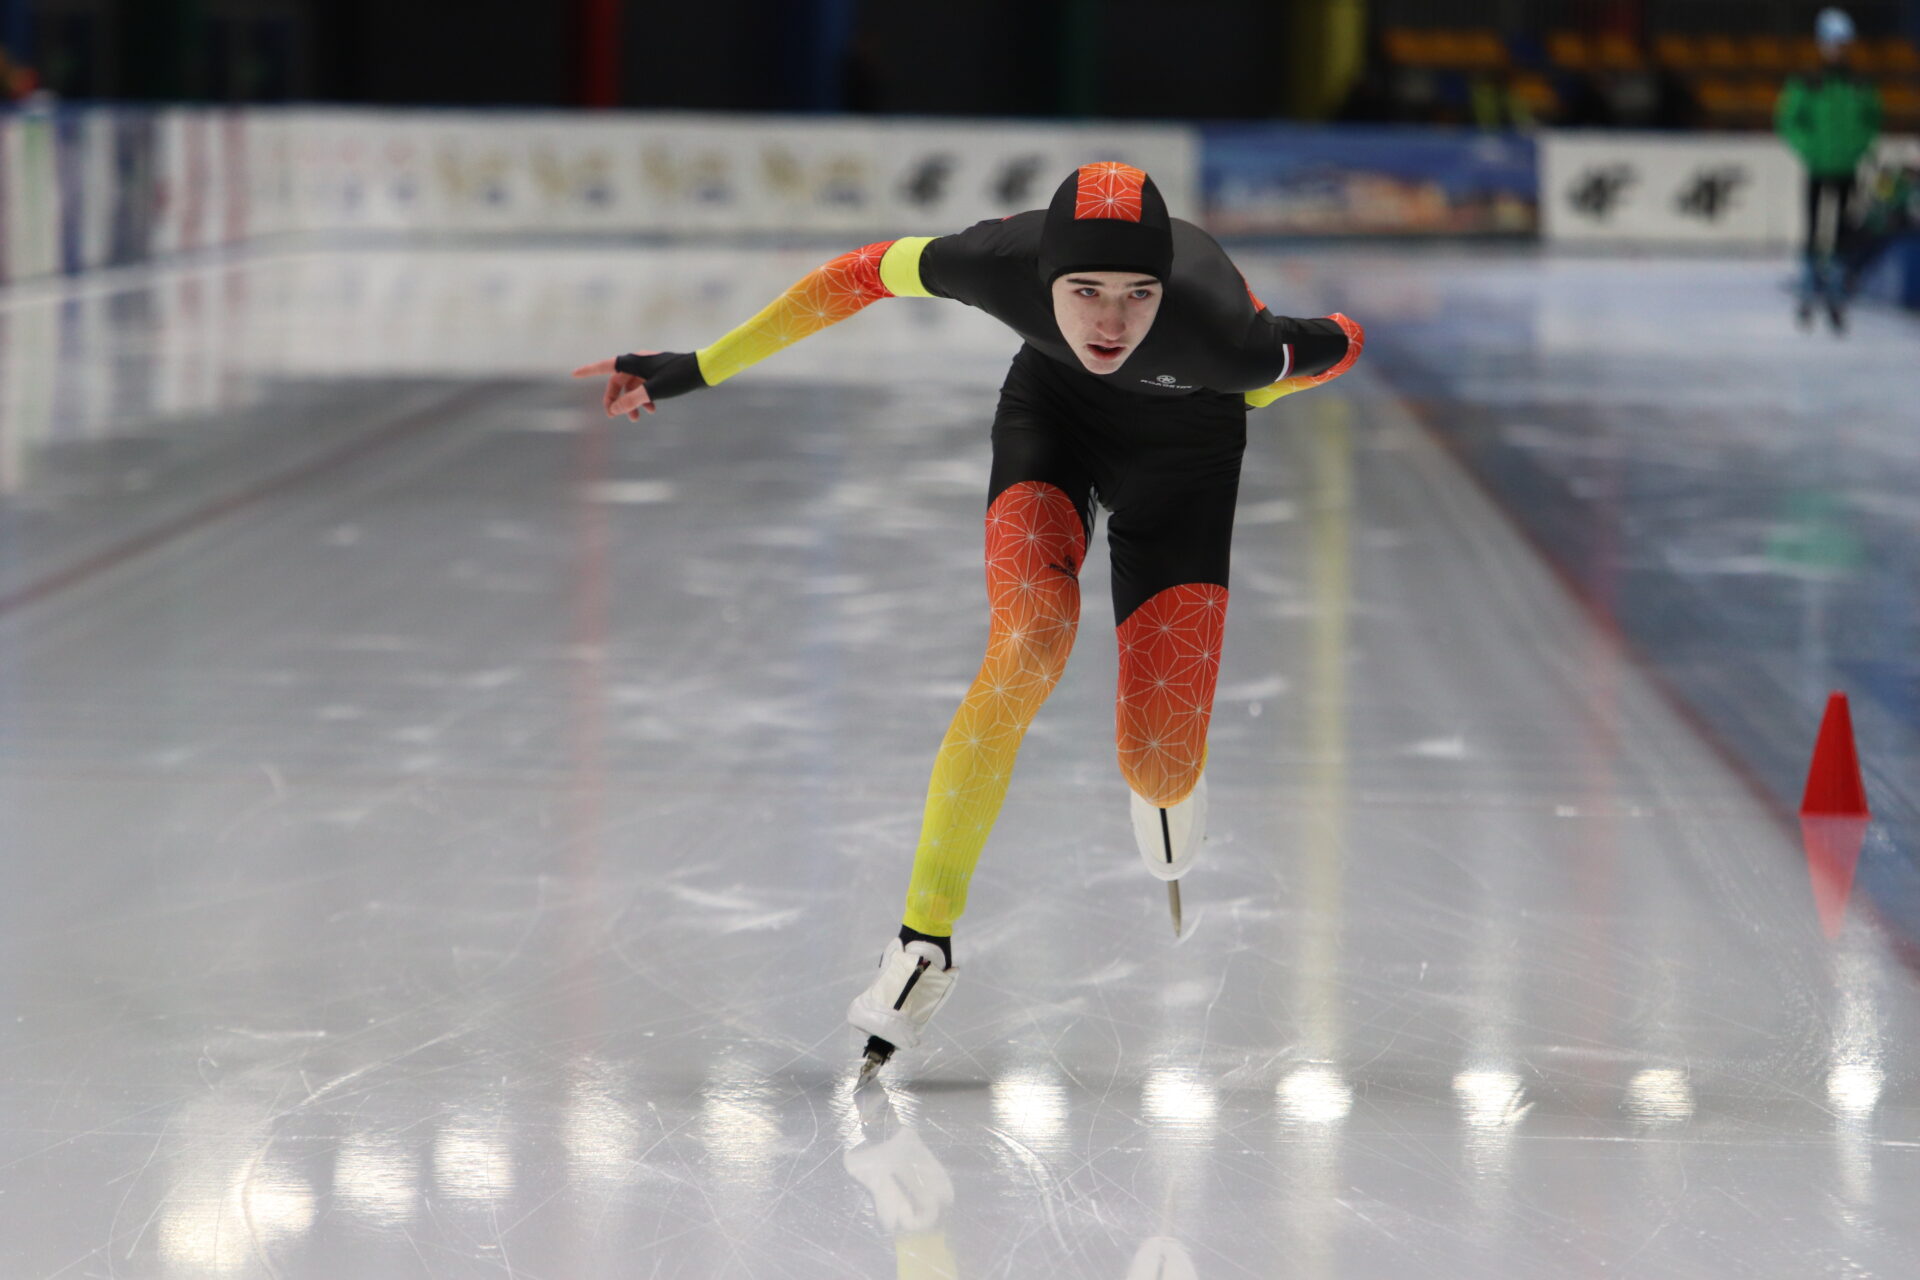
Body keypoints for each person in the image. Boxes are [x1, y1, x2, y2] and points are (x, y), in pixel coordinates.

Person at [573, 163, 1363, 1078]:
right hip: (1054, 424)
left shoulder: (1229, 336)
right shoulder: (997, 262)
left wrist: (1247, 390)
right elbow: (858, 275)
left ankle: (1170, 780)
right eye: (1085, 291)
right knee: (1029, 642)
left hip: (1187, 460)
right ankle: (924, 944)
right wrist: (695, 367)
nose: (1110, 323)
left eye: (1137, 295)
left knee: (1158, 763)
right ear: (1045, 278)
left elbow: (1341, 343)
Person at [1776, 8, 1882, 331]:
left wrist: (1857, 148)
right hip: (1818, 167)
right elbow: (1788, 120)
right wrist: (1809, 148)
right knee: (1813, 231)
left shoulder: (1859, 84)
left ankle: (1836, 295)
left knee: (1842, 233)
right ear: (1822, 44)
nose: (1837, 49)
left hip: (1847, 168)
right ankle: (1809, 292)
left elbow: (1873, 120)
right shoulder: (1808, 82)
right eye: (1832, 43)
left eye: (1842, 43)